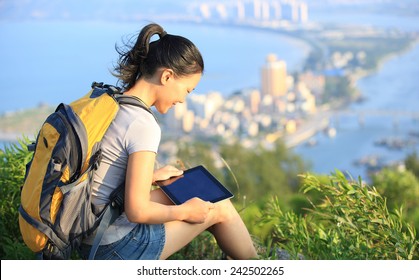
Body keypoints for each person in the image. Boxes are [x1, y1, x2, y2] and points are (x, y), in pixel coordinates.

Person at [81, 23, 258, 260]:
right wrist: (184, 211)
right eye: (186, 90)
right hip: (113, 249)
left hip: (86, 232)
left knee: (179, 191)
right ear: (167, 76)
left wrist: (150, 177)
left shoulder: (113, 103)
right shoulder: (143, 125)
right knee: (220, 209)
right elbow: (137, 210)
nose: (183, 100)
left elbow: (102, 172)